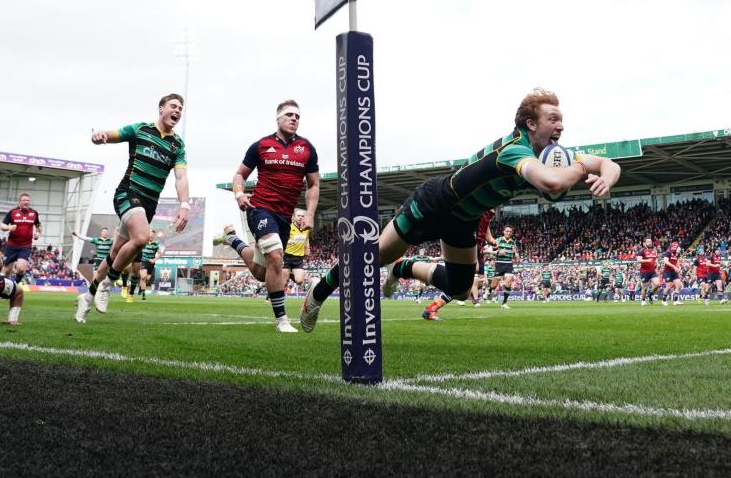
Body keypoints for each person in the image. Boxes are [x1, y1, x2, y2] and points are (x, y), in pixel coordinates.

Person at [300, 88, 621, 332]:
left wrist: (604, 179)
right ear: (531, 122)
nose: (561, 126)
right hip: (433, 203)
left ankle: (404, 268)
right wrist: (581, 169)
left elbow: (610, 163)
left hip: (463, 219)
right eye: (554, 119)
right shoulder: (514, 150)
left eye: (562, 120)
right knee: (372, 257)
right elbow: (551, 182)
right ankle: (320, 290)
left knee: (461, 289)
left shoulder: (552, 152)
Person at [82, 93, 190, 318]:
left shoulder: (177, 145)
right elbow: (115, 134)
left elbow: (180, 177)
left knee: (114, 254)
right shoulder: (141, 129)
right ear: (161, 109)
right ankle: (109, 284)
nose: (178, 110)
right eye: (173, 106)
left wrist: (185, 205)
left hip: (148, 204)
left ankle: (88, 296)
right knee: (141, 238)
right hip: (128, 193)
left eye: (181, 108)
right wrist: (101, 135)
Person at [222, 99, 320, 333]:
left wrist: (310, 214)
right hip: (260, 208)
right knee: (276, 256)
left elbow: (314, 185)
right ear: (278, 119)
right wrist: (238, 195)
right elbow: (239, 175)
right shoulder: (261, 145)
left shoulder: (307, 149)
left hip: (285, 216)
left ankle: (234, 241)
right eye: (289, 115)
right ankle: (282, 321)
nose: (294, 118)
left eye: (297, 116)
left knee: (261, 272)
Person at [0, 193, 41, 285]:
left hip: (25, 246)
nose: (26, 202)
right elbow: (2, 226)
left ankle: (17, 282)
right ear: (20, 201)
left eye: (28, 200)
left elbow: (38, 225)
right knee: (7, 270)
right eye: (24, 200)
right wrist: (9, 228)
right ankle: (6, 289)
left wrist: (38, 233)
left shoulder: (34, 213)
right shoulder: (13, 212)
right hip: (11, 245)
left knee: (21, 269)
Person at [281, 209, 311, 295]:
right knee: (284, 281)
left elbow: (306, 239)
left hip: (298, 258)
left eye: (302, 216)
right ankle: (276, 298)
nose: (300, 217)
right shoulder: (288, 227)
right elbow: (281, 238)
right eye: (298, 216)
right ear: (293, 217)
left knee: (299, 281)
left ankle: (291, 274)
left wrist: (308, 249)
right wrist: (287, 241)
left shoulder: (306, 228)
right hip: (287, 256)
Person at [138, 229, 163, 301]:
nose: (151, 236)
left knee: (147, 279)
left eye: (152, 235)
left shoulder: (156, 244)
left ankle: (141, 287)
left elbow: (160, 253)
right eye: (150, 234)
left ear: (154, 236)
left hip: (151, 263)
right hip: (143, 261)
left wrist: (154, 260)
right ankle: (143, 294)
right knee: (143, 277)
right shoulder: (143, 242)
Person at [636, 237, 660, 307]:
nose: (650, 243)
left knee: (657, 284)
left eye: (650, 241)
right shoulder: (641, 251)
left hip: (652, 271)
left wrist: (657, 264)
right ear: (644, 243)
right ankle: (643, 300)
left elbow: (655, 259)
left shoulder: (654, 251)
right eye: (648, 242)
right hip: (644, 272)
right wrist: (646, 260)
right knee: (645, 288)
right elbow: (638, 260)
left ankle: (650, 294)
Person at [660, 241, 683, 305]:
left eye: (676, 246)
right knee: (669, 286)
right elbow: (666, 262)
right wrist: (674, 267)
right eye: (674, 246)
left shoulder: (677, 254)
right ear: (671, 246)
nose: (675, 247)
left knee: (678, 284)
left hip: (674, 271)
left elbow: (676, 261)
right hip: (667, 271)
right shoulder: (667, 253)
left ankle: (675, 301)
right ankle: (664, 300)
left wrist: (679, 267)